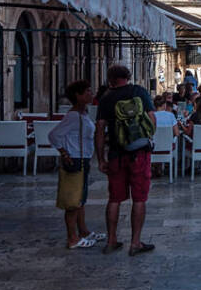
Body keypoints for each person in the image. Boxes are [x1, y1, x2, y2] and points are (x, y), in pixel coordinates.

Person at [95, 64, 156, 257]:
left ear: (110, 79)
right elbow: (152, 119)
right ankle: (135, 243)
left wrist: (100, 158)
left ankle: (111, 241)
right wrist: (145, 137)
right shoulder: (139, 92)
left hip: (116, 154)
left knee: (114, 199)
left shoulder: (106, 98)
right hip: (139, 153)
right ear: (128, 76)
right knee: (139, 199)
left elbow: (99, 130)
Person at [48, 80, 100, 249]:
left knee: (80, 199)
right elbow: (54, 135)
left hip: (83, 159)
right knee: (73, 201)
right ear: (78, 95)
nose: (91, 94)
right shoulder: (73, 116)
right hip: (75, 159)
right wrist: (64, 152)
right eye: (87, 91)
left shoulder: (83, 114)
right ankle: (72, 238)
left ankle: (83, 231)